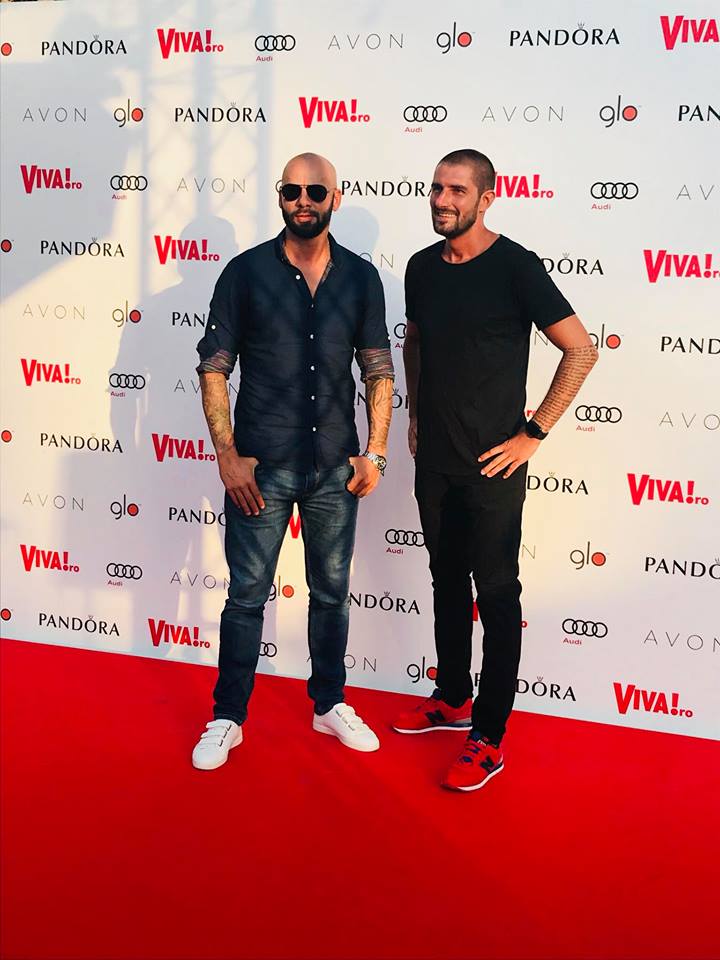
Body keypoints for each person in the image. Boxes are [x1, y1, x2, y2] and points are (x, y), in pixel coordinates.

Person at [393, 149, 598, 791]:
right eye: (436, 188)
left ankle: (488, 735)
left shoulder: (516, 266)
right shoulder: (422, 267)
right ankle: (453, 696)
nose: (441, 200)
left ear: (486, 198)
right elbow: (416, 341)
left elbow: (580, 349)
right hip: (436, 462)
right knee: (445, 581)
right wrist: (415, 413)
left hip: (493, 467)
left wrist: (533, 434)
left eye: (456, 190)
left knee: (497, 594)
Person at [191, 153, 394, 770]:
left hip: (334, 464)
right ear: (280, 196)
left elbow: (378, 367)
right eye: (291, 191)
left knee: (332, 594)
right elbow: (214, 366)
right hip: (261, 466)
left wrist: (376, 452)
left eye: (315, 191)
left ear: (335, 196)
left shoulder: (361, 278)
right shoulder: (245, 272)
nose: (302, 201)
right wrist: (227, 455)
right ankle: (228, 717)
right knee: (246, 596)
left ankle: (329, 704)